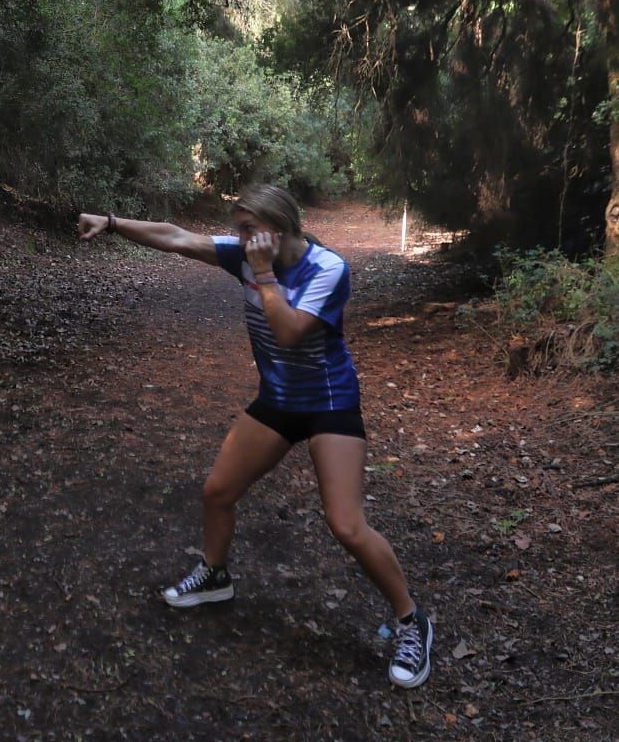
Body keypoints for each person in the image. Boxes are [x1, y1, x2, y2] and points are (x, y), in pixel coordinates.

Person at [78, 186, 432, 688]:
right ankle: (216, 575)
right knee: (217, 492)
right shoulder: (246, 252)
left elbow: (288, 331)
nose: (240, 238)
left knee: (347, 525)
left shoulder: (327, 269)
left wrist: (263, 273)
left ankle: (411, 622)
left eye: (249, 229)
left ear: (280, 230)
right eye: (238, 228)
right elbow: (178, 237)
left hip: (329, 403)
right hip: (277, 401)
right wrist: (112, 221)